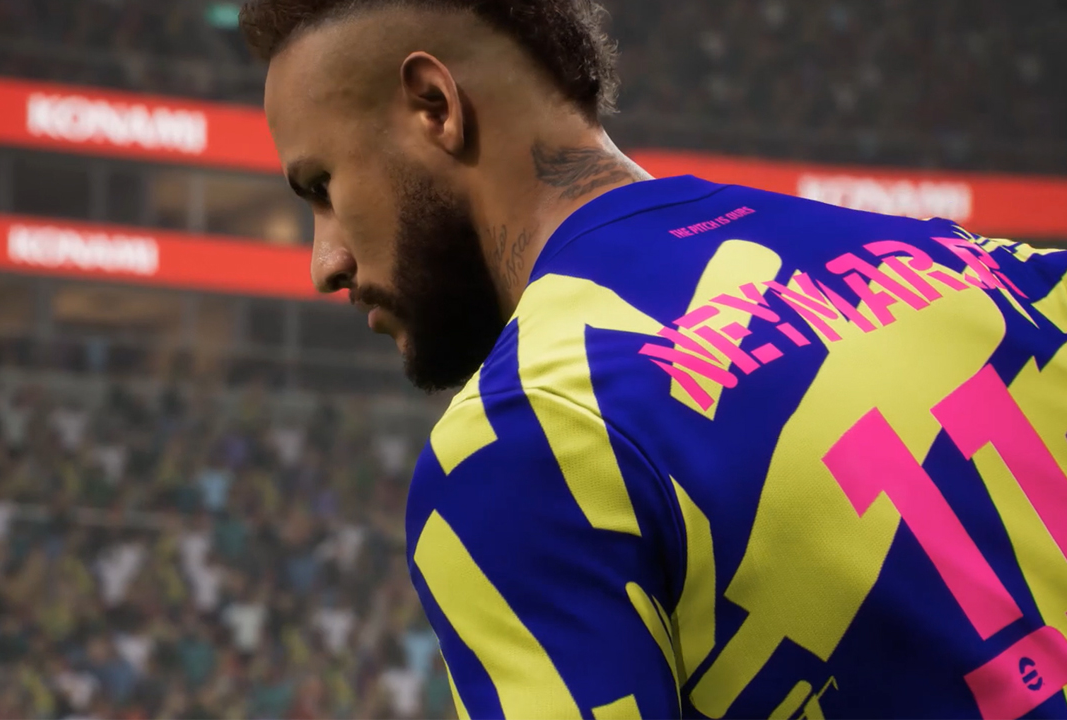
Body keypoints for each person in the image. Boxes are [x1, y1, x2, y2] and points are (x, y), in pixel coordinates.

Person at [241, 0, 1067, 717]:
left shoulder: (521, 441)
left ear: (435, 106)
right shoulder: (981, 265)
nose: (325, 264)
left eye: (323, 188)